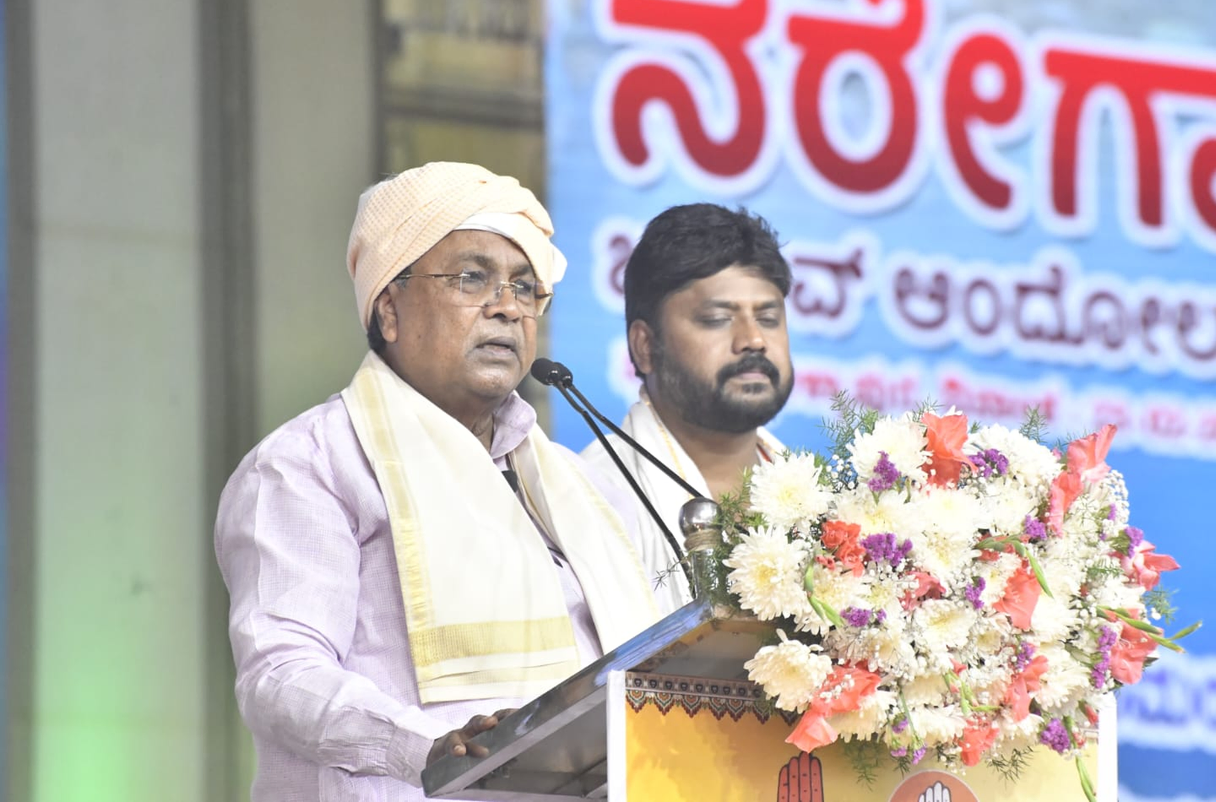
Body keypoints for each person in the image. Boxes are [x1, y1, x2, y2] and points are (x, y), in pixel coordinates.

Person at [214, 161, 658, 800]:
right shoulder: (309, 464)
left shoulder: (567, 480)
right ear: (389, 309)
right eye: (472, 278)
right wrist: (424, 749)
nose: (507, 307)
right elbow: (281, 674)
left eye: (526, 287)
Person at [581, 203, 795, 615]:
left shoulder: (828, 502)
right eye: (717, 319)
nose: (753, 340)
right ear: (645, 346)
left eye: (768, 318)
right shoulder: (596, 498)